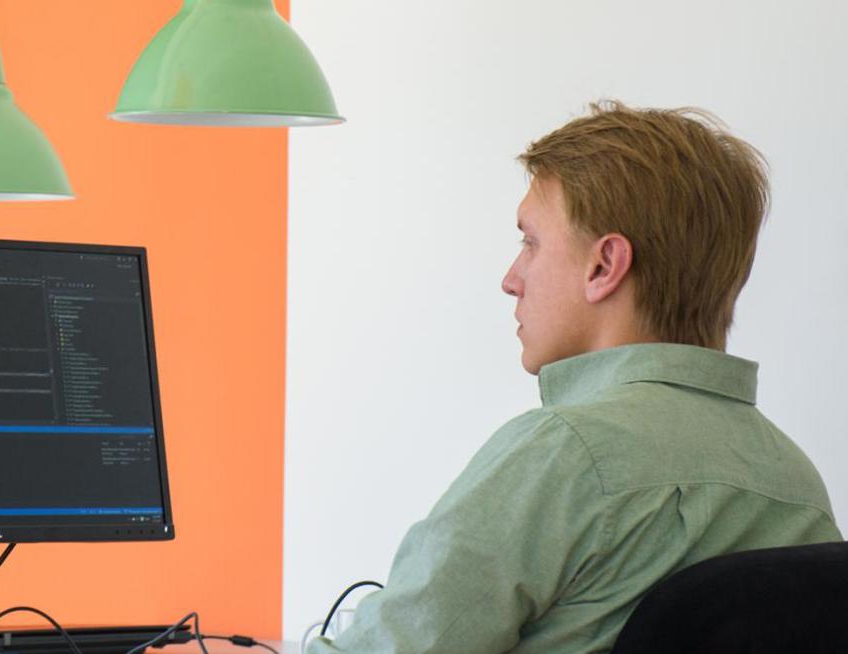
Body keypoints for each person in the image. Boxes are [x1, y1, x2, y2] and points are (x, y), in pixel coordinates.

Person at [308, 101, 840, 653]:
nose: (511, 280)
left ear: (604, 266)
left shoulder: (564, 455)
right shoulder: (797, 485)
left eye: (530, 242)